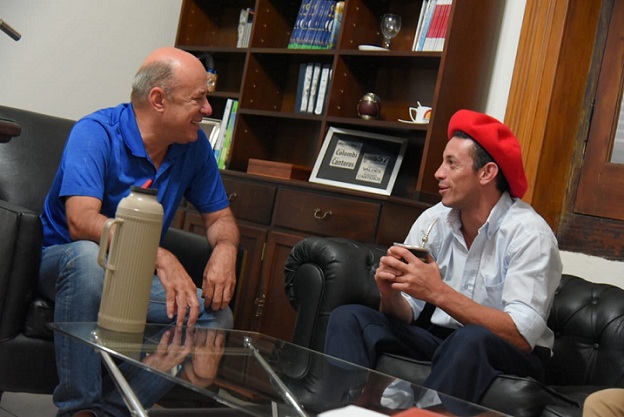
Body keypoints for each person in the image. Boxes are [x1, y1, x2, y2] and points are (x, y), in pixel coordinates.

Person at [37, 47, 240, 417]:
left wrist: (225, 250)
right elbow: (81, 221)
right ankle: (80, 409)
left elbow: (219, 219)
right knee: (88, 260)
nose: (208, 109)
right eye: (198, 99)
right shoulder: (95, 132)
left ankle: (112, 411)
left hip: (130, 277)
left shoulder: (193, 147)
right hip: (65, 263)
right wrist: (158, 256)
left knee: (213, 315)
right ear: (159, 100)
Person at [324, 109, 563, 405]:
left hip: (510, 353)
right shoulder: (433, 220)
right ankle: (343, 407)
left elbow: (521, 335)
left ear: (487, 173)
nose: (439, 173)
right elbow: (406, 313)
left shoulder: (530, 234)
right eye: (442, 162)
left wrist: (437, 292)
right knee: (349, 317)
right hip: (443, 339)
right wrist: (390, 294)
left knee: (470, 338)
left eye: (451, 163)